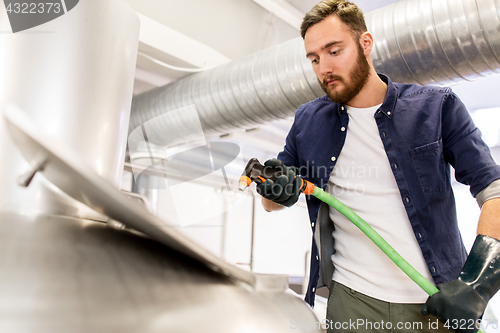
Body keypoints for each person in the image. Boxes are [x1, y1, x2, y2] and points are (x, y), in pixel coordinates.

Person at [257, 1, 500, 332]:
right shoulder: (307, 122)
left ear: (365, 44)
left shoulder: (437, 108)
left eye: (334, 51)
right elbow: (271, 200)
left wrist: (477, 286)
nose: (323, 67)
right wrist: (274, 191)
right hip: (352, 302)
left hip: (436, 303)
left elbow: (495, 192)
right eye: (314, 58)